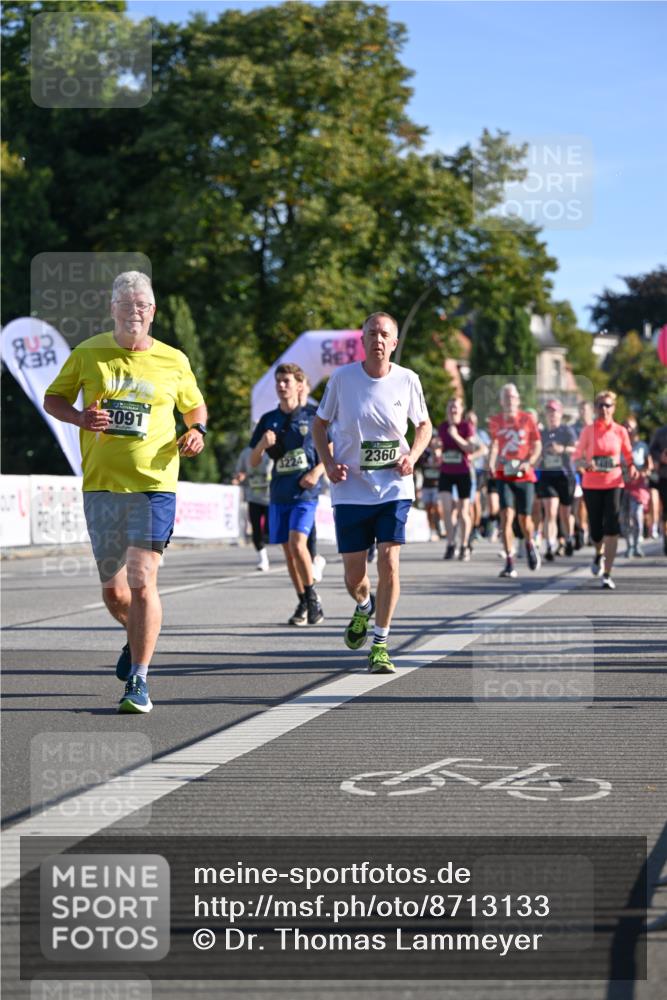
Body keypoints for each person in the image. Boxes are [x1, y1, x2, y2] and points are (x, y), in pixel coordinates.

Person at [43, 271, 207, 713]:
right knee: (116, 593)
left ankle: (139, 679)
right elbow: (53, 398)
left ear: (152, 312)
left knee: (142, 578)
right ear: (112, 308)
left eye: (142, 305)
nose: (134, 311)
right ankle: (135, 636)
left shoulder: (174, 359)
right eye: (126, 303)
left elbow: (194, 406)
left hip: (155, 485)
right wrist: (79, 419)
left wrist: (198, 431)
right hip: (102, 488)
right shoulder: (89, 352)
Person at [312, 311, 432, 673]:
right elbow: (319, 426)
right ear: (362, 341)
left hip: (394, 486)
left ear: (394, 343)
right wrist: (330, 464)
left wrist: (413, 455)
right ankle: (364, 607)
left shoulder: (408, 379)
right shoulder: (342, 379)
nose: (378, 339)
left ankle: (380, 643)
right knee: (354, 577)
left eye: (385, 335)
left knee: (389, 561)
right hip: (350, 490)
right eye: (371, 334)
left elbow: (424, 425)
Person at [250, 363, 325, 626]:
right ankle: (303, 600)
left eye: (287, 382)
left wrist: (317, 473)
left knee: (297, 544)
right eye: (279, 381)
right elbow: (253, 461)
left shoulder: (314, 416)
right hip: (279, 493)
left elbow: (333, 448)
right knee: (288, 552)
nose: (282, 386)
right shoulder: (268, 419)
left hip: (306, 493)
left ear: (299, 385)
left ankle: (312, 598)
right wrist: (262, 444)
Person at [573, 390, 637, 589]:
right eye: (600, 405)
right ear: (595, 408)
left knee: (612, 526)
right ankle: (598, 552)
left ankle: (607, 573)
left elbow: (628, 454)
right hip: (592, 484)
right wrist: (584, 463)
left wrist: (632, 467)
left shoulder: (620, 431)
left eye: (608, 405)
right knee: (596, 529)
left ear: (614, 408)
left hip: (613, 482)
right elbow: (576, 457)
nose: (604, 409)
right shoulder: (587, 431)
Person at [487, 383, 542, 578]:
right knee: (506, 517)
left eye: (513, 397)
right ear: (502, 401)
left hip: (524, 475)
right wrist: (492, 463)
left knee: (524, 519)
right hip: (504, 474)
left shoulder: (527, 419)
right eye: (506, 397)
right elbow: (493, 445)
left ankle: (529, 542)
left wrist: (529, 462)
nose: (510, 400)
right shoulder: (495, 421)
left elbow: (537, 445)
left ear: (518, 400)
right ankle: (510, 561)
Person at [536, 399, 576, 560]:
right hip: (547, 475)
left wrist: (562, 449)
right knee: (550, 511)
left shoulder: (567, 431)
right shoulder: (542, 433)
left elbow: (577, 448)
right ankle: (550, 545)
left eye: (554, 411)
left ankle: (568, 539)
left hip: (565, 475)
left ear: (560, 414)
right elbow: (536, 451)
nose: (552, 414)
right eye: (549, 411)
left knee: (565, 513)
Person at [438, 398, 476, 561]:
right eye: (451, 406)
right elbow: (439, 448)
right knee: (446, 509)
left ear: (461, 410)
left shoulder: (467, 426)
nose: (453, 409)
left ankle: (465, 544)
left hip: (463, 472)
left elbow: (471, 448)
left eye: (456, 407)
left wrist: (455, 436)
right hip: (446, 471)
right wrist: (436, 448)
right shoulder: (442, 427)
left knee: (462, 511)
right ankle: (450, 543)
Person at [299, 374, 327, 584]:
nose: (299, 389)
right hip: (289, 480)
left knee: (306, 522)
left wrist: (318, 471)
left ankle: (314, 558)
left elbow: (332, 442)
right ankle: (313, 560)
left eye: (302, 385)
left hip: (315, 472)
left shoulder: (315, 413)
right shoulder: (280, 414)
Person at [233, 445, 272, 570]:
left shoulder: (274, 449)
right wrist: (239, 476)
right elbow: (240, 470)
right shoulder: (246, 452)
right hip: (253, 497)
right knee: (256, 530)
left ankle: (292, 555)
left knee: (271, 531)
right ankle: (263, 559)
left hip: (272, 497)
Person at [621, 416, 652, 557]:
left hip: (638, 487)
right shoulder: (618, 445)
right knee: (624, 517)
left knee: (637, 514)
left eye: (631, 426)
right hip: (621, 486)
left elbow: (649, 465)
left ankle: (637, 544)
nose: (628, 429)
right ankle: (629, 546)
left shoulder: (642, 447)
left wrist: (643, 473)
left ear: (636, 429)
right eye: (626, 426)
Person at [417, 433, 445, 541]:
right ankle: (432, 530)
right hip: (426, 485)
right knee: (429, 509)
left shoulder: (441, 453)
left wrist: (437, 456)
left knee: (438, 506)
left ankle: (441, 524)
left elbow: (443, 466)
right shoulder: (424, 453)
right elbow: (419, 466)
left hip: (438, 485)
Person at [648, 423, 667, 555]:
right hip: (664, 477)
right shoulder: (661, 432)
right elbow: (652, 450)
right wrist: (660, 457)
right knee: (666, 512)